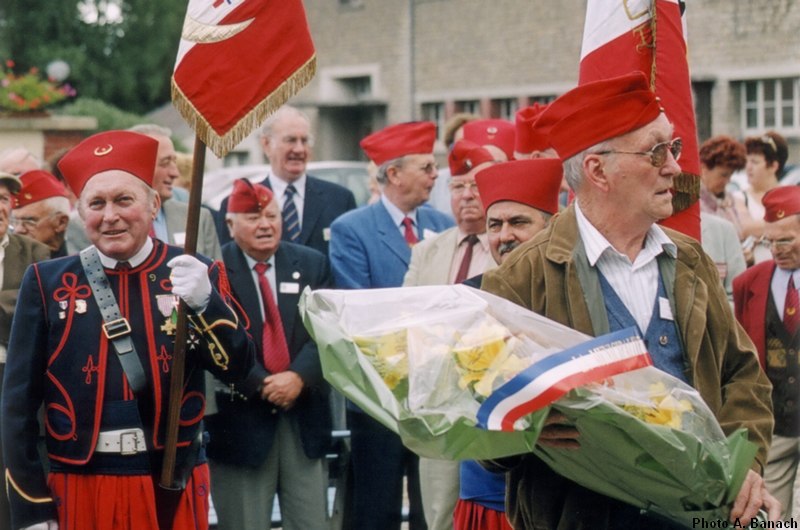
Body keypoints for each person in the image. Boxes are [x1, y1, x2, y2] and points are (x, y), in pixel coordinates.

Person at [481, 71, 778, 529]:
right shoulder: (524, 276)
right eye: (656, 151)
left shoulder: (688, 259)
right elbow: (478, 417)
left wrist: (748, 467)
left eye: (673, 149)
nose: (675, 168)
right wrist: (522, 422)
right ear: (598, 171)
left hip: (701, 516)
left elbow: (742, 377)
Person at [1, 130, 256, 530]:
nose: (110, 215)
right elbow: (16, 407)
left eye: (124, 200)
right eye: (97, 203)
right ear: (80, 212)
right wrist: (32, 508)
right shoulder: (46, 282)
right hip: (78, 485)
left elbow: (238, 368)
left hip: (170, 483)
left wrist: (209, 302)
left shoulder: (193, 271)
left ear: (153, 204)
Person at [329, 121, 454, 530]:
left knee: (430, 506)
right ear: (395, 174)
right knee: (377, 507)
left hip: (434, 393)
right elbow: (362, 310)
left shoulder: (444, 226)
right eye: (426, 167)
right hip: (381, 395)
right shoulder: (353, 229)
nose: (435, 175)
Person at [207, 179, 332, 530]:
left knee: (311, 522)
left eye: (272, 216)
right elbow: (211, 339)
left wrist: (298, 377)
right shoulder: (213, 271)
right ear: (229, 225)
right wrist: (261, 382)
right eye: (252, 217)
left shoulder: (311, 264)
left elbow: (328, 332)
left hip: (302, 416)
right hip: (241, 423)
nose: (265, 225)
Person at [455, 157, 563, 530]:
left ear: (552, 226)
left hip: (563, 483)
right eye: (495, 225)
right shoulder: (465, 297)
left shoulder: (572, 291)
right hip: (489, 489)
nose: (504, 236)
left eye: (519, 222)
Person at [403, 140, 497, 530]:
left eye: (477, 184)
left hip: (490, 403)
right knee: (439, 511)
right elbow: (406, 318)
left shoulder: (508, 247)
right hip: (439, 402)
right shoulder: (427, 251)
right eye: (458, 186)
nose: (467, 195)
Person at [733, 186, 800, 519]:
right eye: (769, 241)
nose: (776, 250)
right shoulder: (748, 283)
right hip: (775, 425)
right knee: (772, 516)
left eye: (785, 240)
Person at [216, 105, 357, 253]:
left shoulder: (340, 200)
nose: (299, 149)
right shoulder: (237, 205)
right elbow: (227, 263)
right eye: (291, 140)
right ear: (266, 144)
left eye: (305, 141)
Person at [0, 170, 51, 530]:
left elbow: (36, 311)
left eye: (3, 199)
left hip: (14, 378)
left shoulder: (36, 252)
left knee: (14, 468)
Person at [129, 124, 220, 259]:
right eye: (165, 163)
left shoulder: (199, 219)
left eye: (174, 162)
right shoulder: (103, 223)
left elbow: (217, 277)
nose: (175, 173)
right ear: (134, 165)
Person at [735, 131, 788, 264]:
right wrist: (786, 224)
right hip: (754, 270)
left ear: (773, 166)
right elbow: (745, 228)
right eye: (747, 161)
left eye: (755, 162)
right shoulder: (740, 197)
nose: (748, 167)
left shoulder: (791, 195)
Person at [12, 170, 71, 257]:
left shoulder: (85, 260)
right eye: (14, 221)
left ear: (61, 222)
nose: (18, 230)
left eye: (30, 221)